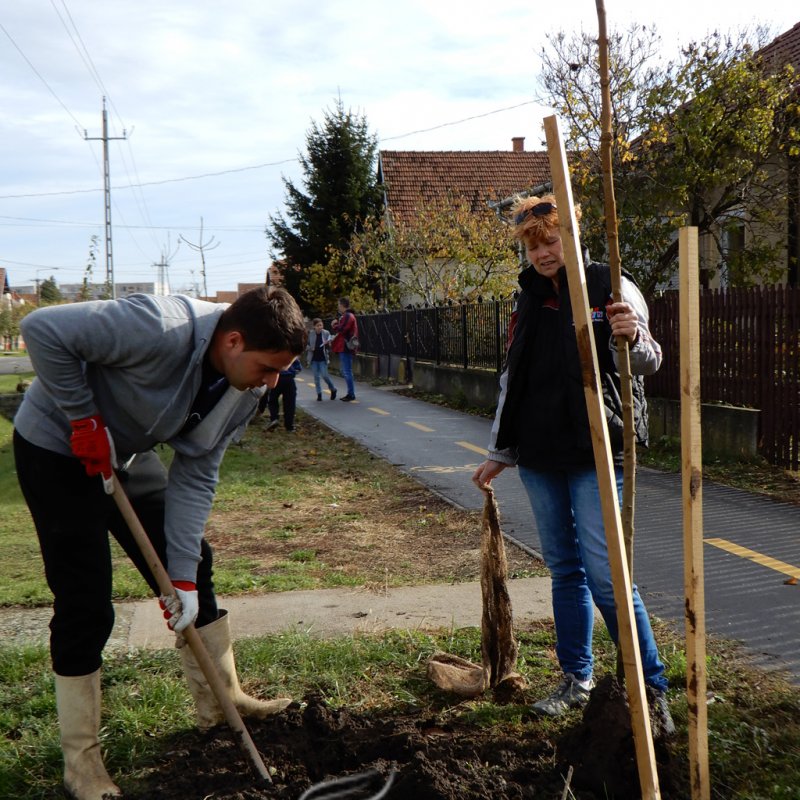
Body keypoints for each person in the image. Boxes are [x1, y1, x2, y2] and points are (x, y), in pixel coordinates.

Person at [13, 286, 307, 800]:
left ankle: (221, 702)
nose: (273, 382)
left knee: (195, 561)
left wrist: (183, 576)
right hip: (58, 447)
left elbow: (197, 473)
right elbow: (43, 329)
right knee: (86, 604)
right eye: (267, 367)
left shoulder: (246, 389)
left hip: (124, 452)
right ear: (233, 341)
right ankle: (82, 764)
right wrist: (83, 418)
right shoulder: (157, 323)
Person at [471, 195, 673, 733]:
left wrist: (629, 333)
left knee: (608, 577)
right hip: (540, 454)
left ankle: (651, 688)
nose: (543, 252)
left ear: (573, 237)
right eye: (534, 244)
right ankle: (576, 680)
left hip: (597, 451)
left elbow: (651, 360)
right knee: (564, 571)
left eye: (551, 240)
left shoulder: (610, 284)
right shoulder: (527, 297)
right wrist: (501, 452)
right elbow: (513, 377)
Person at [263, 357, 302, 432]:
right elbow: (298, 368)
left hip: (277, 378)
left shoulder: (275, 353)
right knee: (290, 403)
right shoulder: (291, 353)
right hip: (289, 379)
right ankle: (289, 426)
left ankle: (274, 419)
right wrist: (292, 371)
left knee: (273, 400)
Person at [330, 296, 358, 401]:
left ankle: (351, 394)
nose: (338, 307)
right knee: (346, 371)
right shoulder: (348, 316)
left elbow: (342, 329)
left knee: (346, 371)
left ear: (342, 305)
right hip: (345, 347)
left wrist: (334, 325)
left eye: (338, 305)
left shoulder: (348, 316)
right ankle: (350, 393)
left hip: (346, 347)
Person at [306, 318, 337, 401]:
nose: (320, 327)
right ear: (314, 327)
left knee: (325, 376)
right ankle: (319, 394)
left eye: (321, 325)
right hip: (314, 359)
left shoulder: (326, 333)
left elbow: (330, 345)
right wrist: (310, 348)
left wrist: (328, 343)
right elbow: (305, 345)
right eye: (318, 325)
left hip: (323, 358)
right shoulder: (311, 334)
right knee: (316, 378)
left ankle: (333, 389)